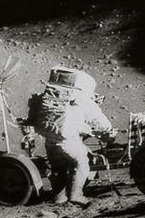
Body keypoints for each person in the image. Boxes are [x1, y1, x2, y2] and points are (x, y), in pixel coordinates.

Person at [23, 67, 116, 207]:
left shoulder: (50, 97)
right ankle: (76, 195)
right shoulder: (81, 98)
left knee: (58, 167)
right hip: (68, 140)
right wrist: (109, 132)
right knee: (81, 163)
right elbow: (98, 119)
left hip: (50, 139)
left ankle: (59, 198)